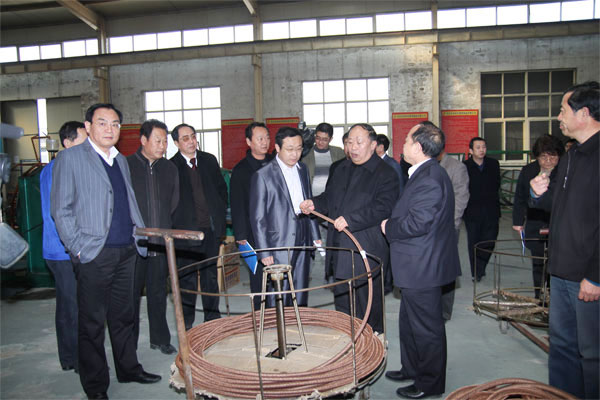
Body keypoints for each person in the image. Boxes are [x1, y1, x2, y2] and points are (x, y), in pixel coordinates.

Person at [51, 104, 161, 400]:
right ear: (88, 127)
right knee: (92, 324)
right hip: (94, 253)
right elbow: (60, 209)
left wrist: (138, 236)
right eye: (102, 123)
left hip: (127, 250)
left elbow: (127, 201)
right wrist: (78, 248)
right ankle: (96, 385)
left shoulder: (120, 160)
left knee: (124, 317)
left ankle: (128, 369)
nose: (109, 129)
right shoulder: (70, 158)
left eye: (115, 124)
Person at [530, 81, 599, 399]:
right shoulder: (571, 156)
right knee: (561, 345)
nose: (558, 117)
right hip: (560, 270)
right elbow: (558, 206)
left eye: (562, 110)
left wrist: (595, 276)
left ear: (583, 114)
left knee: (593, 353)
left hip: (588, 277)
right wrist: (538, 194)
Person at [381, 122, 461, 399]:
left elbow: (418, 222)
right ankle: (412, 368)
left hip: (423, 267)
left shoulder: (430, 178)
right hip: (416, 265)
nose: (402, 144)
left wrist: (389, 227)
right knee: (409, 323)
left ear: (417, 146)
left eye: (406, 140)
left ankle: (429, 383)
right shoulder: (423, 172)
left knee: (427, 329)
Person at [300, 123, 399, 333]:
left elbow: (384, 207)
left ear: (373, 145)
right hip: (339, 247)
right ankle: (347, 340)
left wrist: (351, 219)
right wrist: (314, 203)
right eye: (350, 142)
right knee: (343, 303)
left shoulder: (385, 173)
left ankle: (372, 343)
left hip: (366, 248)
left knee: (367, 304)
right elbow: (329, 198)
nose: (353, 147)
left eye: (359, 142)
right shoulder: (340, 169)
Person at [249, 127, 320, 307]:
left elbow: (308, 200)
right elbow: (258, 218)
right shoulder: (263, 175)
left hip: (303, 235)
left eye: (299, 149)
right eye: (289, 149)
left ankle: (298, 318)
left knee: (300, 286)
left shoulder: (302, 169)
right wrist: (264, 251)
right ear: (277, 148)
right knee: (279, 291)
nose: (295, 154)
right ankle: (278, 323)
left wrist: (315, 234)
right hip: (278, 241)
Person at [127, 119, 179, 355]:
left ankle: (160, 339)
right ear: (143, 140)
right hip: (133, 244)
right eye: (157, 141)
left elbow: (173, 203)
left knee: (158, 292)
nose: (162, 146)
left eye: (165, 141)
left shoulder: (169, 169)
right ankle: (128, 344)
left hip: (160, 242)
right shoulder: (127, 166)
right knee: (131, 296)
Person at [170, 123, 227, 329]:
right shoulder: (171, 166)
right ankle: (187, 323)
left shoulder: (209, 160)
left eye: (193, 136)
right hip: (186, 234)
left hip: (210, 230)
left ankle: (212, 319)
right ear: (176, 143)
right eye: (185, 138)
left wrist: (219, 213)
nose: (191, 141)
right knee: (187, 279)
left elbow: (221, 190)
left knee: (211, 276)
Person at [41, 121, 87, 373]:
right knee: (74, 306)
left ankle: (69, 357)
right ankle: (78, 359)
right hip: (63, 249)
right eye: (83, 142)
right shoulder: (59, 168)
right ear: (68, 143)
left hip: (61, 248)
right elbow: (62, 212)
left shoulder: (59, 167)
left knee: (67, 304)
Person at [512, 134, 564, 299]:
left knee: (557, 260)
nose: (548, 161)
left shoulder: (565, 170)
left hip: (559, 222)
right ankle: (538, 294)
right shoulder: (528, 171)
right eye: (543, 157)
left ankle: (554, 293)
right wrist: (518, 221)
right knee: (538, 261)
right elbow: (520, 197)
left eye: (553, 157)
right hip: (535, 221)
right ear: (536, 157)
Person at [230, 122, 274, 310]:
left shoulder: (276, 163)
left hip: (277, 229)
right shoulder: (241, 170)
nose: (265, 142)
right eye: (260, 138)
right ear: (249, 142)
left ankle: (280, 313)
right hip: (253, 231)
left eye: (267, 138)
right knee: (259, 277)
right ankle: (262, 314)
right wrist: (240, 235)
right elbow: (237, 204)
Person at [437, 148, 470, 321]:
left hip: (448, 227)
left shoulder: (456, 167)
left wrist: (452, 224)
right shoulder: (423, 165)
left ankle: (444, 311)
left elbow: (461, 197)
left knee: (446, 268)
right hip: (428, 228)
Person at [463, 137, 500, 281]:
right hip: (472, 211)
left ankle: (481, 266)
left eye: (484, 147)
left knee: (490, 241)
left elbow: (497, 185)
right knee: (473, 242)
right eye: (478, 147)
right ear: (471, 151)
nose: (481, 150)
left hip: (491, 210)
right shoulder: (465, 166)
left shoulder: (493, 164)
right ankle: (476, 272)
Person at [301, 122, 345, 196]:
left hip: (333, 196)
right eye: (318, 138)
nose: (320, 142)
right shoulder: (306, 154)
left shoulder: (339, 153)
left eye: (325, 139)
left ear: (330, 139)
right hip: (312, 197)